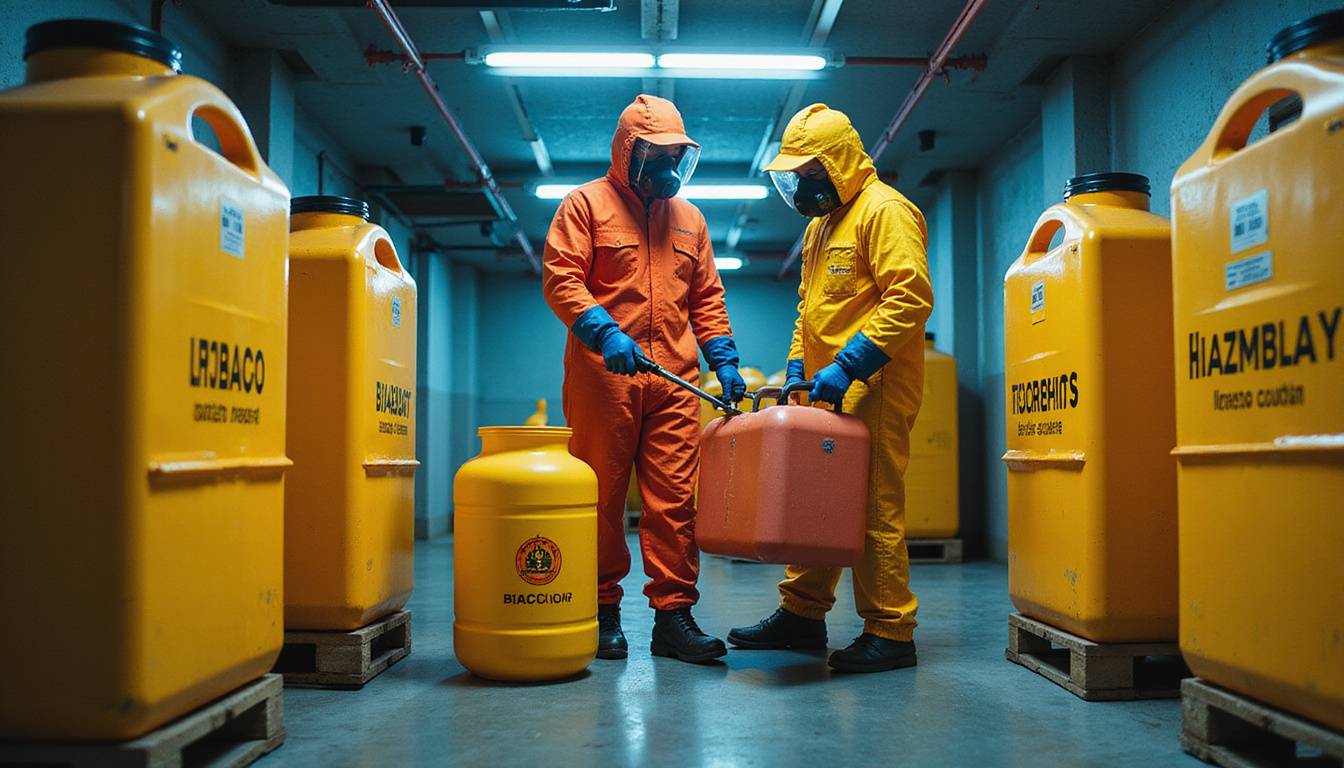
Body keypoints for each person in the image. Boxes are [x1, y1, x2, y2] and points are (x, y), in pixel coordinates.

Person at [728, 104, 933, 673]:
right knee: (814, 497)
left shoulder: (885, 211)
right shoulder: (821, 227)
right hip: (824, 388)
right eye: (796, 176)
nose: (802, 187)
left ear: (838, 164)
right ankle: (803, 614)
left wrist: (849, 366)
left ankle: (892, 631)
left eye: (811, 173)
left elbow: (910, 297)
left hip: (874, 383)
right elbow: (808, 312)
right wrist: (797, 367)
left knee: (870, 505)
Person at [542, 94, 746, 664]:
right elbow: (562, 279)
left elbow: (707, 297)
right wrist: (605, 334)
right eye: (656, 157)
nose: (668, 170)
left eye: (675, 157)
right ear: (628, 153)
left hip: (677, 379)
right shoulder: (585, 205)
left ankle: (673, 619)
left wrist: (724, 360)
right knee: (601, 498)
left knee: (676, 501)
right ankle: (602, 611)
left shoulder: (691, 220)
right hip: (606, 375)